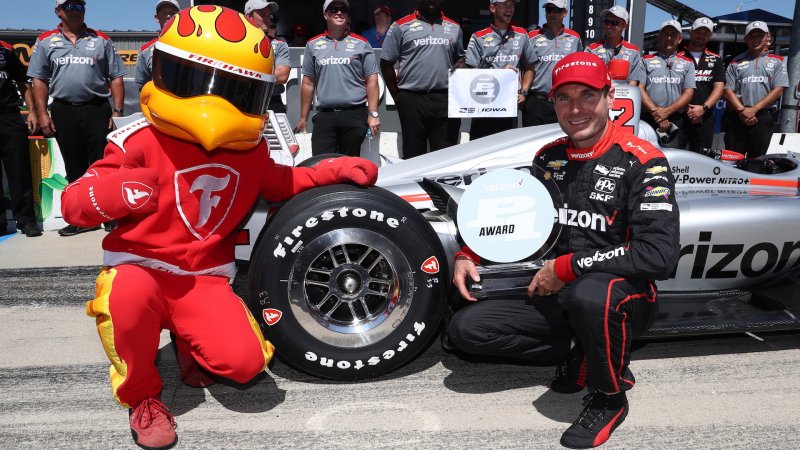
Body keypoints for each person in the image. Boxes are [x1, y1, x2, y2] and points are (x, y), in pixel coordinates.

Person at [60, 7, 377, 449]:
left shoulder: (248, 153)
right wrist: (113, 193)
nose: (214, 100)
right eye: (199, 81)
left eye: (235, 90)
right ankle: (143, 397)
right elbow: (74, 203)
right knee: (126, 296)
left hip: (204, 281)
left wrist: (332, 169)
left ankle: (192, 344)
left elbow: (285, 182)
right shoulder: (138, 140)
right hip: (142, 271)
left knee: (246, 365)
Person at [448, 52, 680, 448]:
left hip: (622, 295)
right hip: (559, 290)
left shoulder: (643, 162)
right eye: (564, 98)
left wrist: (570, 267)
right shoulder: (548, 158)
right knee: (465, 330)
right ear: (552, 102)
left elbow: (659, 255)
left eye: (587, 96)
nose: (576, 109)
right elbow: (522, 221)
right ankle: (581, 348)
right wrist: (470, 252)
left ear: (609, 97)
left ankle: (609, 397)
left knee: (593, 295)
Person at [27, 0, 126, 236]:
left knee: (103, 165)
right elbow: (39, 80)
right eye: (69, 6)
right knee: (74, 167)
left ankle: (108, 216)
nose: (75, 11)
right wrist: (42, 113)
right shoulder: (45, 40)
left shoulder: (101, 39)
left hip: (97, 109)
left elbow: (116, 77)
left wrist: (117, 111)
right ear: (58, 11)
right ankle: (83, 219)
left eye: (80, 6)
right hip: (64, 110)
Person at [380, 0, 465, 159]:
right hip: (412, 99)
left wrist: (461, 64)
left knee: (446, 157)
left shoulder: (454, 27)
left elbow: (459, 58)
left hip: (446, 100)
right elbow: (386, 63)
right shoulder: (401, 26)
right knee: (413, 155)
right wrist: (398, 97)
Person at [294, 0, 380, 156]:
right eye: (334, 9)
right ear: (325, 14)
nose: (339, 13)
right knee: (320, 166)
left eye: (343, 10)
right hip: (325, 116)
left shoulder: (362, 43)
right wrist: (303, 117)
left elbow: (372, 80)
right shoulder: (313, 45)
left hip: (354, 114)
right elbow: (308, 83)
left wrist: (373, 114)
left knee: (349, 167)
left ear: (347, 16)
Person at [465, 0, 533, 139]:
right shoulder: (478, 37)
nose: (509, 9)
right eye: (504, 5)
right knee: (480, 150)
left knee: (505, 152)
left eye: (512, 5)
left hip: (509, 105)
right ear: (492, 8)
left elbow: (530, 66)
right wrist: (499, 74)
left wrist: (524, 92)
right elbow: (469, 74)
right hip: (483, 105)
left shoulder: (522, 35)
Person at [723, 21, 789, 158]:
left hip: (763, 117)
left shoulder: (778, 61)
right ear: (746, 39)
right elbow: (727, 90)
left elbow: (778, 90)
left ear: (768, 37)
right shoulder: (735, 61)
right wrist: (742, 111)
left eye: (760, 35)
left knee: (758, 162)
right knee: (732, 161)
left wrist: (754, 110)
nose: (756, 39)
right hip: (737, 116)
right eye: (752, 36)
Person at [0, 40, 42, 237]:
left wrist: (32, 111)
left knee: (19, 169)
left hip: (9, 115)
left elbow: (23, 82)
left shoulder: (5, 50)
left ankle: (26, 219)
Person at [522, 0, 582, 126]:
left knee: (561, 143)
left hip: (564, 100)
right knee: (533, 143)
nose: (552, 13)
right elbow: (525, 67)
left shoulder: (575, 38)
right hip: (537, 101)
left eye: (556, 10)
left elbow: (578, 69)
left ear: (565, 13)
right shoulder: (531, 37)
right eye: (549, 10)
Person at [639, 20, 695, 149]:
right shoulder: (645, 61)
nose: (669, 38)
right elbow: (640, 89)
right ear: (659, 37)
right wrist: (658, 114)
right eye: (665, 34)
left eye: (673, 35)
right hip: (649, 117)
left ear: (679, 39)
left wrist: (666, 112)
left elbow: (689, 93)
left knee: (675, 161)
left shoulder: (688, 63)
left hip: (676, 119)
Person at [678, 17, 725, 153]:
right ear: (691, 32)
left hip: (705, 116)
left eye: (705, 32)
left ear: (710, 35)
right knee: (676, 157)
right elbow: (672, 86)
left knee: (702, 158)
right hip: (680, 115)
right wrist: (686, 108)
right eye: (698, 31)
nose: (701, 35)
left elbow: (719, 88)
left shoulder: (716, 59)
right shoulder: (678, 56)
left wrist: (703, 108)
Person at [244, 0, 291, 114]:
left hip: (272, 101)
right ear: (248, 17)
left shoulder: (279, 44)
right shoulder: (235, 42)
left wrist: (247, 73)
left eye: (269, 15)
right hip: (242, 100)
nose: (268, 18)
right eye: (262, 14)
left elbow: (282, 76)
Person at [585, 5, 645, 87]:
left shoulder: (633, 52)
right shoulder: (591, 50)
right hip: (598, 97)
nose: (608, 26)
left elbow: (632, 84)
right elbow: (587, 80)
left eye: (614, 22)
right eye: (606, 22)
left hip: (623, 97)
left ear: (625, 26)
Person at [134, 0, 180, 91]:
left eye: (172, 13)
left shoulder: (192, 45)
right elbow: (142, 86)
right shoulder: (145, 50)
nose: (168, 16)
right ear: (156, 18)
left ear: (180, 16)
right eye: (164, 13)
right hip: (159, 103)